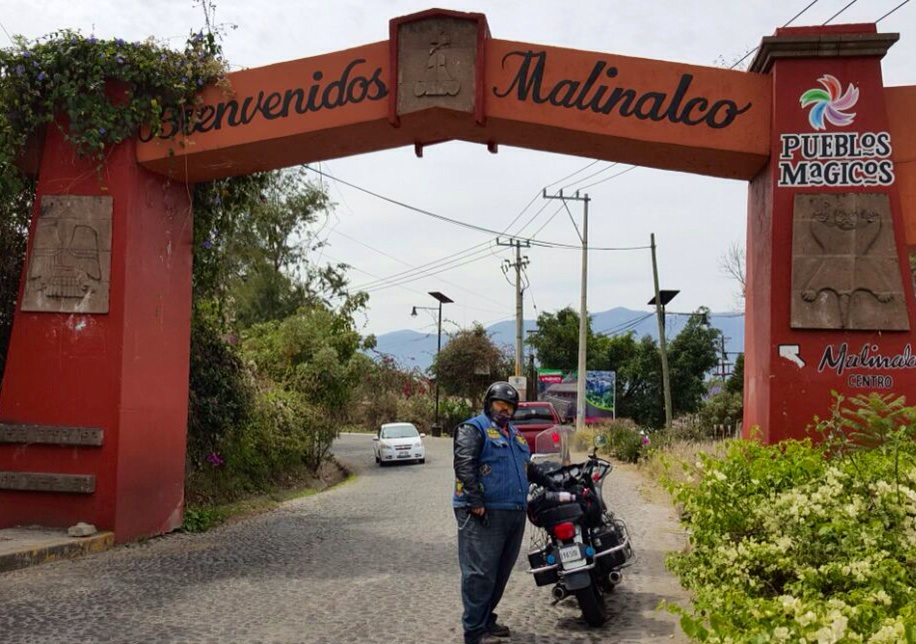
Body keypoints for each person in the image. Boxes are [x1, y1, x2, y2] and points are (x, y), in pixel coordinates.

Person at [452, 381, 554, 644]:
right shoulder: (473, 429)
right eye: (500, 404)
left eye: (509, 406)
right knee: (479, 573)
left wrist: (551, 481)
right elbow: (464, 465)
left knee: (499, 572)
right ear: (488, 403)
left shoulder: (516, 435)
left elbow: (527, 468)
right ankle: (474, 632)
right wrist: (475, 502)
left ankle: (486, 619)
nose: (504, 410)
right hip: (483, 512)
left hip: (513, 512)